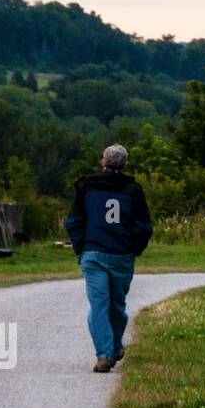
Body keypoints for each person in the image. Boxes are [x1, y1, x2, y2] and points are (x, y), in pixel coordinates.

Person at [64, 144, 153, 372]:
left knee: (99, 304)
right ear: (124, 165)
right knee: (117, 304)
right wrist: (134, 249)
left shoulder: (86, 186)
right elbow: (143, 226)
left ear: (103, 162)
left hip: (93, 254)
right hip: (122, 254)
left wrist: (80, 248)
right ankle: (110, 349)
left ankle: (107, 352)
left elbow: (73, 222)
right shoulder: (133, 190)